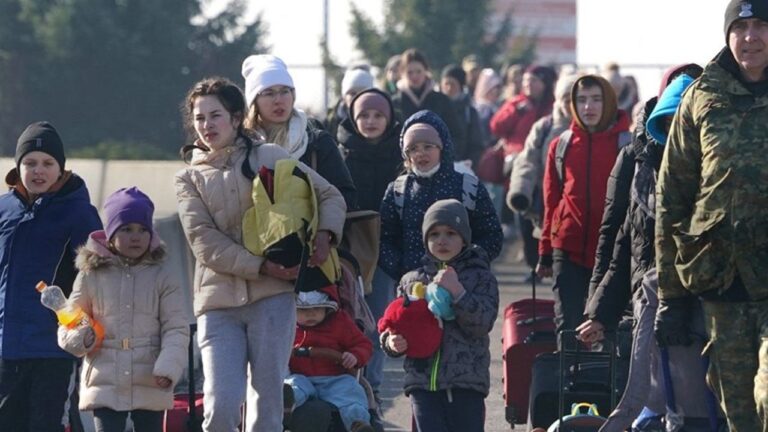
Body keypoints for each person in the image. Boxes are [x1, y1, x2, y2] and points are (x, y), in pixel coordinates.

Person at [174, 77, 346, 431]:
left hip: (273, 299)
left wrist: (324, 237)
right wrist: (263, 266)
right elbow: (204, 242)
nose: (207, 125)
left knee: (267, 404)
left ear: (237, 118)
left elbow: (330, 195)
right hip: (217, 303)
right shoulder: (188, 179)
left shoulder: (269, 156)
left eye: (215, 115)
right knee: (220, 404)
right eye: (200, 118)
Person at [655, 1, 768, 429]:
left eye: (761, 26)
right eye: (741, 27)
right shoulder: (703, 96)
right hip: (722, 280)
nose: (751, 37)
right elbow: (674, 195)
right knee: (738, 411)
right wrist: (671, 296)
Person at [57, 187, 189, 432]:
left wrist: (169, 367)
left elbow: (176, 328)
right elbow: (69, 322)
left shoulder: (163, 276)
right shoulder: (90, 275)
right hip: (104, 378)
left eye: (142, 230)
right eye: (126, 229)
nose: (135, 237)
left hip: (152, 377)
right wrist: (82, 337)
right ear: (110, 234)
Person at [0, 121, 102, 431]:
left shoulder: (80, 213)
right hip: (6, 350)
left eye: (47, 163)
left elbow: (98, 278)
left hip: (54, 350)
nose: (38, 170)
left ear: (61, 169)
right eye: (30, 163)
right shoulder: (4, 209)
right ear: (18, 168)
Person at [585, 63, 703, 323]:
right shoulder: (636, 158)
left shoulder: (713, 160)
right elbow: (616, 233)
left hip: (701, 302)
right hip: (643, 296)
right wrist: (598, 311)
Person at [380, 199, 499, 432]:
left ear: (464, 238)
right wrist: (391, 343)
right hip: (422, 385)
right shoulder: (411, 280)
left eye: (451, 233)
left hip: (465, 384)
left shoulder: (480, 277)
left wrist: (459, 293)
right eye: (434, 234)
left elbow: (482, 324)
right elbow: (393, 323)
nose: (442, 240)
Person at [536, 75, 629, 342]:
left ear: (609, 102)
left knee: (608, 328)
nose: (589, 107)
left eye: (596, 99)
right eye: (582, 100)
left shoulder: (627, 143)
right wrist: (545, 250)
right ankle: (567, 381)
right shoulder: (561, 145)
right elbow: (551, 201)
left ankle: (607, 384)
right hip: (568, 248)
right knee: (568, 327)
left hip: (614, 253)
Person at [378, 110, 503, 283]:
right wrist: (404, 270)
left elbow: (491, 235)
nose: (421, 153)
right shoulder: (398, 191)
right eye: (413, 149)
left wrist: (469, 265)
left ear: (442, 147)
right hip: (413, 287)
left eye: (428, 146)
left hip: (463, 286)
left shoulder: (468, 186)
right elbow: (384, 239)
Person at [337, 87, 402, 401]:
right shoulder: (339, 152)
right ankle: (343, 388)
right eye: (364, 115)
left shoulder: (400, 153)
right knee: (344, 321)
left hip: (386, 248)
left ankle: (371, 390)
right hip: (348, 249)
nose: (371, 121)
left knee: (376, 322)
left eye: (378, 115)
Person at [242, 54, 357, 209]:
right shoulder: (242, 146)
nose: (278, 100)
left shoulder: (316, 141)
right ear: (254, 101)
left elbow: (345, 197)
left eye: (285, 91)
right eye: (269, 93)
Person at [507, 73, 578, 276]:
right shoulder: (544, 127)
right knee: (535, 235)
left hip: (575, 197)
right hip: (545, 194)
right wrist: (521, 191)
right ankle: (535, 267)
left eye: (576, 99)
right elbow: (527, 160)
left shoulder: (592, 130)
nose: (570, 105)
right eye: (566, 99)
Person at [286, 288, 374, 432]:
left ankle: (358, 424)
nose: (311, 313)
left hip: (335, 378)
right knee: (293, 385)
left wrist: (354, 355)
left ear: (327, 308)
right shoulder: (287, 326)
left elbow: (363, 344)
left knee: (351, 392)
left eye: (317, 308)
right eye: (303, 310)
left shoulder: (340, 322)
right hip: (300, 376)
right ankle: (286, 404)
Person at [392, 49, 464, 150]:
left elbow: (456, 134)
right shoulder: (395, 103)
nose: (415, 76)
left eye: (418, 71)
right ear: (402, 73)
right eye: (410, 72)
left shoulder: (441, 100)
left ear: (426, 71)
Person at [439, 64, 484, 166]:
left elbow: (476, 144)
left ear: (461, 86)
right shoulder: (435, 108)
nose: (449, 88)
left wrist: (470, 163)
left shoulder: (469, 112)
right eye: (446, 84)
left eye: (453, 84)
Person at [326, 67, 375, 140]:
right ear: (344, 97)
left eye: (363, 93)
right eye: (353, 93)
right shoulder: (330, 122)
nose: (358, 97)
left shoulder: (378, 119)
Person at [473, 68, 503, 149]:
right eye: (494, 87)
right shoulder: (482, 108)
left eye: (499, 87)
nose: (497, 91)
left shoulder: (497, 106)